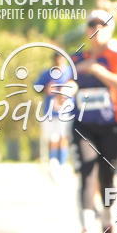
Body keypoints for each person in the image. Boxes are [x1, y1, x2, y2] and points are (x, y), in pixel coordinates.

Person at [72, 4, 117, 233]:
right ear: (86, 30)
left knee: (107, 176)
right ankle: (86, 229)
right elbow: (63, 83)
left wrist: (97, 70)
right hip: (83, 125)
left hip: (111, 125)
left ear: (111, 29)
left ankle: (107, 220)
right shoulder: (76, 58)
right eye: (92, 25)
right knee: (87, 172)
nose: (97, 29)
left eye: (103, 25)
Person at [34, 50, 74, 178]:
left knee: (63, 137)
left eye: (61, 59)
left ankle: (62, 162)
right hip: (50, 111)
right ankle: (53, 162)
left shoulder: (70, 72)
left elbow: (78, 85)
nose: (59, 62)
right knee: (52, 138)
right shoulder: (48, 73)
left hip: (66, 110)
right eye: (57, 59)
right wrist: (45, 88)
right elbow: (36, 87)